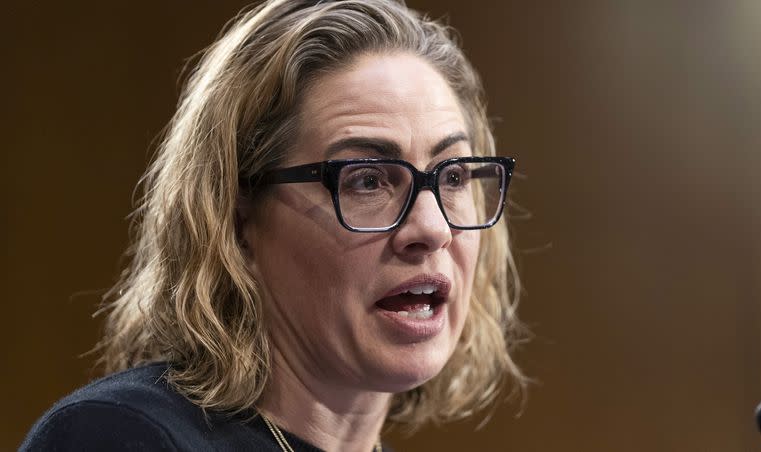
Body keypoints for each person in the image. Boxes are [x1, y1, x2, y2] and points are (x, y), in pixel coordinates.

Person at [21, 0, 526, 450]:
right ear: (237, 219)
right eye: (367, 180)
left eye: (454, 175)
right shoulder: (119, 437)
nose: (432, 228)